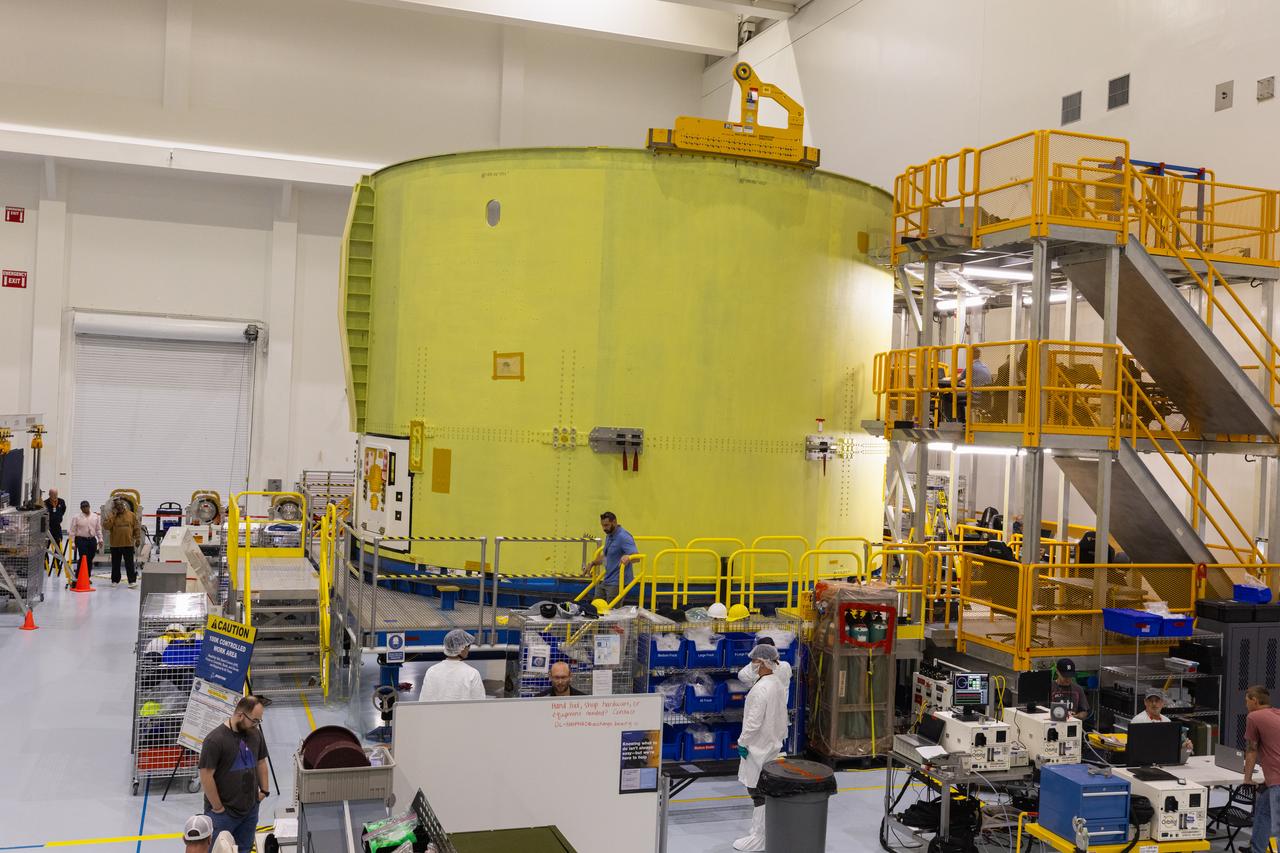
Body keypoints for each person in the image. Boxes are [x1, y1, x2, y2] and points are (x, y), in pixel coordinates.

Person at [733, 643, 789, 852]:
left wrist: (742, 742)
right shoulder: (776, 683)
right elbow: (782, 717)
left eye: (755, 661)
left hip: (758, 748)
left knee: (757, 791)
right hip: (773, 745)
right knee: (765, 791)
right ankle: (763, 834)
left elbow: (754, 722)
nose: (752, 665)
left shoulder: (761, 689)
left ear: (763, 663)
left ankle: (758, 837)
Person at [198, 696, 269, 853]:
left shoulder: (255, 734)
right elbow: (206, 775)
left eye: (259, 721)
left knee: (245, 849)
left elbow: (261, 761)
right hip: (224, 814)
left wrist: (264, 790)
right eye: (254, 720)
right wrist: (218, 808)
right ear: (240, 715)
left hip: (250, 810)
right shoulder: (215, 740)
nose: (256, 724)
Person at [1245, 685, 1280, 853]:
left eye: (1247, 701)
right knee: (1262, 812)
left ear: (1255, 700)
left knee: (1276, 825)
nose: (1246, 704)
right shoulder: (1277, 714)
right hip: (1273, 779)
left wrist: (1247, 779)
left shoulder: (1254, 716)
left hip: (1278, 780)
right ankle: (1256, 848)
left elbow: (1252, 750)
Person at [585, 511, 638, 603]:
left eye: (606, 525)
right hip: (607, 579)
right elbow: (606, 557)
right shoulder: (609, 535)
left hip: (617, 582)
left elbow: (637, 557)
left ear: (614, 522)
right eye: (602, 525)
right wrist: (593, 563)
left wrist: (628, 557)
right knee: (595, 605)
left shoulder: (623, 536)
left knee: (612, 612)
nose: (604, 528)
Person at [419, 629, 486, 701]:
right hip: (464, 712)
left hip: (437, 712)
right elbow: (480, 703)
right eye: (468, 646)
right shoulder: (472, 673)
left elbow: (424, 700)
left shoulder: (432, 671)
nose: (468, 649)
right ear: (462, 648)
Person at [104, 497, 139, 587]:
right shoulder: (111, 516)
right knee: (115, 564)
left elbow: (136, 528)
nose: (119, 507)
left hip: (128, 544)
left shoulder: (131, 515)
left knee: (129, 564)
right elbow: (106, 526)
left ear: (123, 505)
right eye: (116, 506)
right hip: (115, 544)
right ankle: (115, 580)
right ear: (114, 507)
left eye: (120, 505)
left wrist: (138, 538)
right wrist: (113, 516)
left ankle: (131, 581)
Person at [68, 500, 102, 578]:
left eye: (86, 506)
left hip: (92, 540)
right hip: (81, 540)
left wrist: (100, 539)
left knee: (90, 559)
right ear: (81, 508)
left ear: (89, 507)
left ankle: (87, 577)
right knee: (83, 558)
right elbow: (72, 531)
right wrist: (72, 542)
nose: (85, 508)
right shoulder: (76, 517)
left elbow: (98, 529)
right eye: (83, 507)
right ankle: (78, 577)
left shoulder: (95, 516)